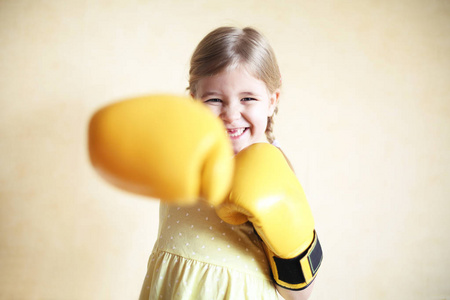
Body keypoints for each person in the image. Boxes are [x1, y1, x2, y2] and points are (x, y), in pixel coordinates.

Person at [88, 26, 321, 300]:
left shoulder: (276, 167)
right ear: (194, 101)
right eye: (214, 99)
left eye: (248, 98)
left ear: (272, 101)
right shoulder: (184, 153)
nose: (231, 114)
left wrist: (292, 243)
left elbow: (300, 295)